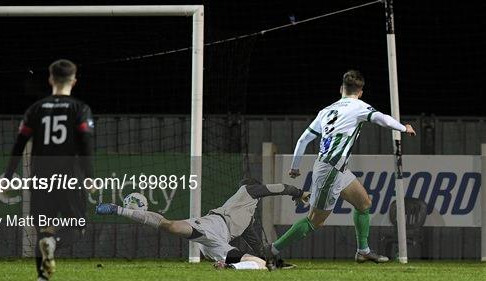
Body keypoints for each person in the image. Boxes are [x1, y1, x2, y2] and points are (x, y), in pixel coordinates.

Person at [265, 70, 416, 264]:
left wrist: (295, 167)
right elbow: (384, 119)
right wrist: (404, 128)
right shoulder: (360, 107)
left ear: (341, 89)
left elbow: (303, 140)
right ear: (360, 92)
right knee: (314, 221)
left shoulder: (326, 111)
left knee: (364, 204)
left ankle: (363, 250)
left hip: (337, 168)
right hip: (330, 170)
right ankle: (272, 250)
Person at [4, 59, 94, 281]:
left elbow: (19, 144)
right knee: (77, 228)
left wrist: (7, 176)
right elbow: (85, 144)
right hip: (70, 174)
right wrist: (90, 176)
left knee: (44, 229)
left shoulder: (35, 109)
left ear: (50, 79)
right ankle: (53, 244)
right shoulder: (79, 109)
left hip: (41, 175)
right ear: (74, 81)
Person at [96, 178, 310, 270]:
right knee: (170, 225)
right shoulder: (247, 191)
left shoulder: (248, 219)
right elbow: (277, 188)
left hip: (216, 243)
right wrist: (299, 193)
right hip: (211, 225)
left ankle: (227, 265)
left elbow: (257, 248)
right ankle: (119, 209)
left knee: (259, 263)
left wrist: (275, 262)